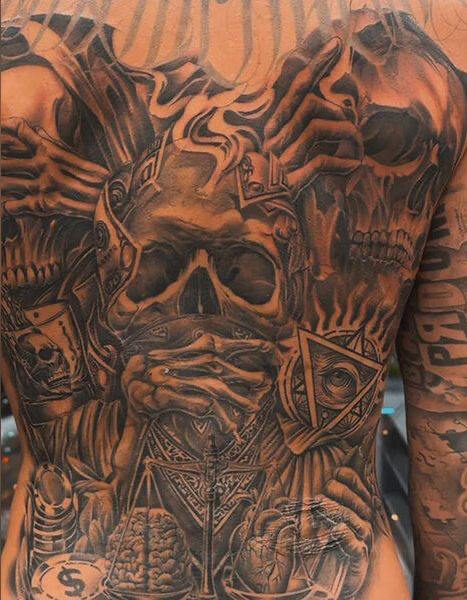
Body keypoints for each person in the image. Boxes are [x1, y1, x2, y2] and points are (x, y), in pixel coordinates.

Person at [1, 2, 466, 599]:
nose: (200, 314)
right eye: (160, 268)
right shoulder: (433, 45)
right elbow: (451, 431)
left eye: (243, 272)